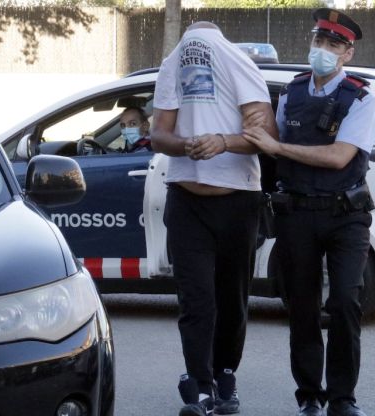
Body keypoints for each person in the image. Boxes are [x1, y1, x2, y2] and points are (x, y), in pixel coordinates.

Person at [242, 8, 375, 416]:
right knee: (300, 306)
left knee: (344, 302)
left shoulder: (360, 97)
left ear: (347, 54)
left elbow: (340, 157)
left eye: (333, 45)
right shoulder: (292, 93)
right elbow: (267, 142)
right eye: (319, 41)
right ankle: (308, 396)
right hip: (297, 213)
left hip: (345, 215)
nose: (323, 50)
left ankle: (342, 398)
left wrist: (278, 148)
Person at [150, 21, 278, 416]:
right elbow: (159, 135)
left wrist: (222, 141)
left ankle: (225, 376)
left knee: (232, 296)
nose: (195, 51)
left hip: (238, 200)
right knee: (197, 297)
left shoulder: (239, 64)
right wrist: (186, 145)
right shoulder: (173, 66)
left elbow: (266, 133)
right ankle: (201, 384)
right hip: (187, 199)